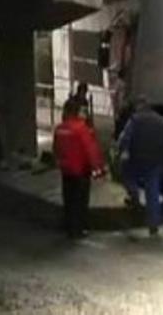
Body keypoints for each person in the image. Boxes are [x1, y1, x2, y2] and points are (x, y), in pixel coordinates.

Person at [117, 96, 163, 236]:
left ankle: (134, 194)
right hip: (155, 160)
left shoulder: (135, 120)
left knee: (127, 176)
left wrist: (122, 151)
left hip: (136, 158)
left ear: (139, 106)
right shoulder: (162, 121)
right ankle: (153, 223)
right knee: (152, 191)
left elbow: (126, 138)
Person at [54, 100, 105, 239]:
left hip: (66, 170)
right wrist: (97, 169)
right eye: (83, 111)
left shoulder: (60, 128)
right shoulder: (82, 129)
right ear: (77, 112)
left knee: (68, 200)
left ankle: (68, 226)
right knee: (80, 202)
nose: (85, 113)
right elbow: (90, 150)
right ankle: (78, 229)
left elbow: (56, 149)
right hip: (81, 171)